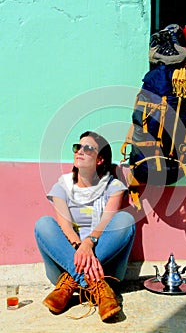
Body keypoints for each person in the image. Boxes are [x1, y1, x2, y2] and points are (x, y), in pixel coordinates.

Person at [34, 131, 136, 321]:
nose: (79, 151)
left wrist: (89, 243)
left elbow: (106, 222)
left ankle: (71, 282)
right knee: (43, 224)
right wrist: (80, 249)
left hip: (107, 269)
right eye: (77, 147)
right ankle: (97, 287)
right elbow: (65, 226)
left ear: (100, 160)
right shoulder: (62, 185)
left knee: (125, 220)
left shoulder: (113, 187)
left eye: (87, 148)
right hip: (67, 262)